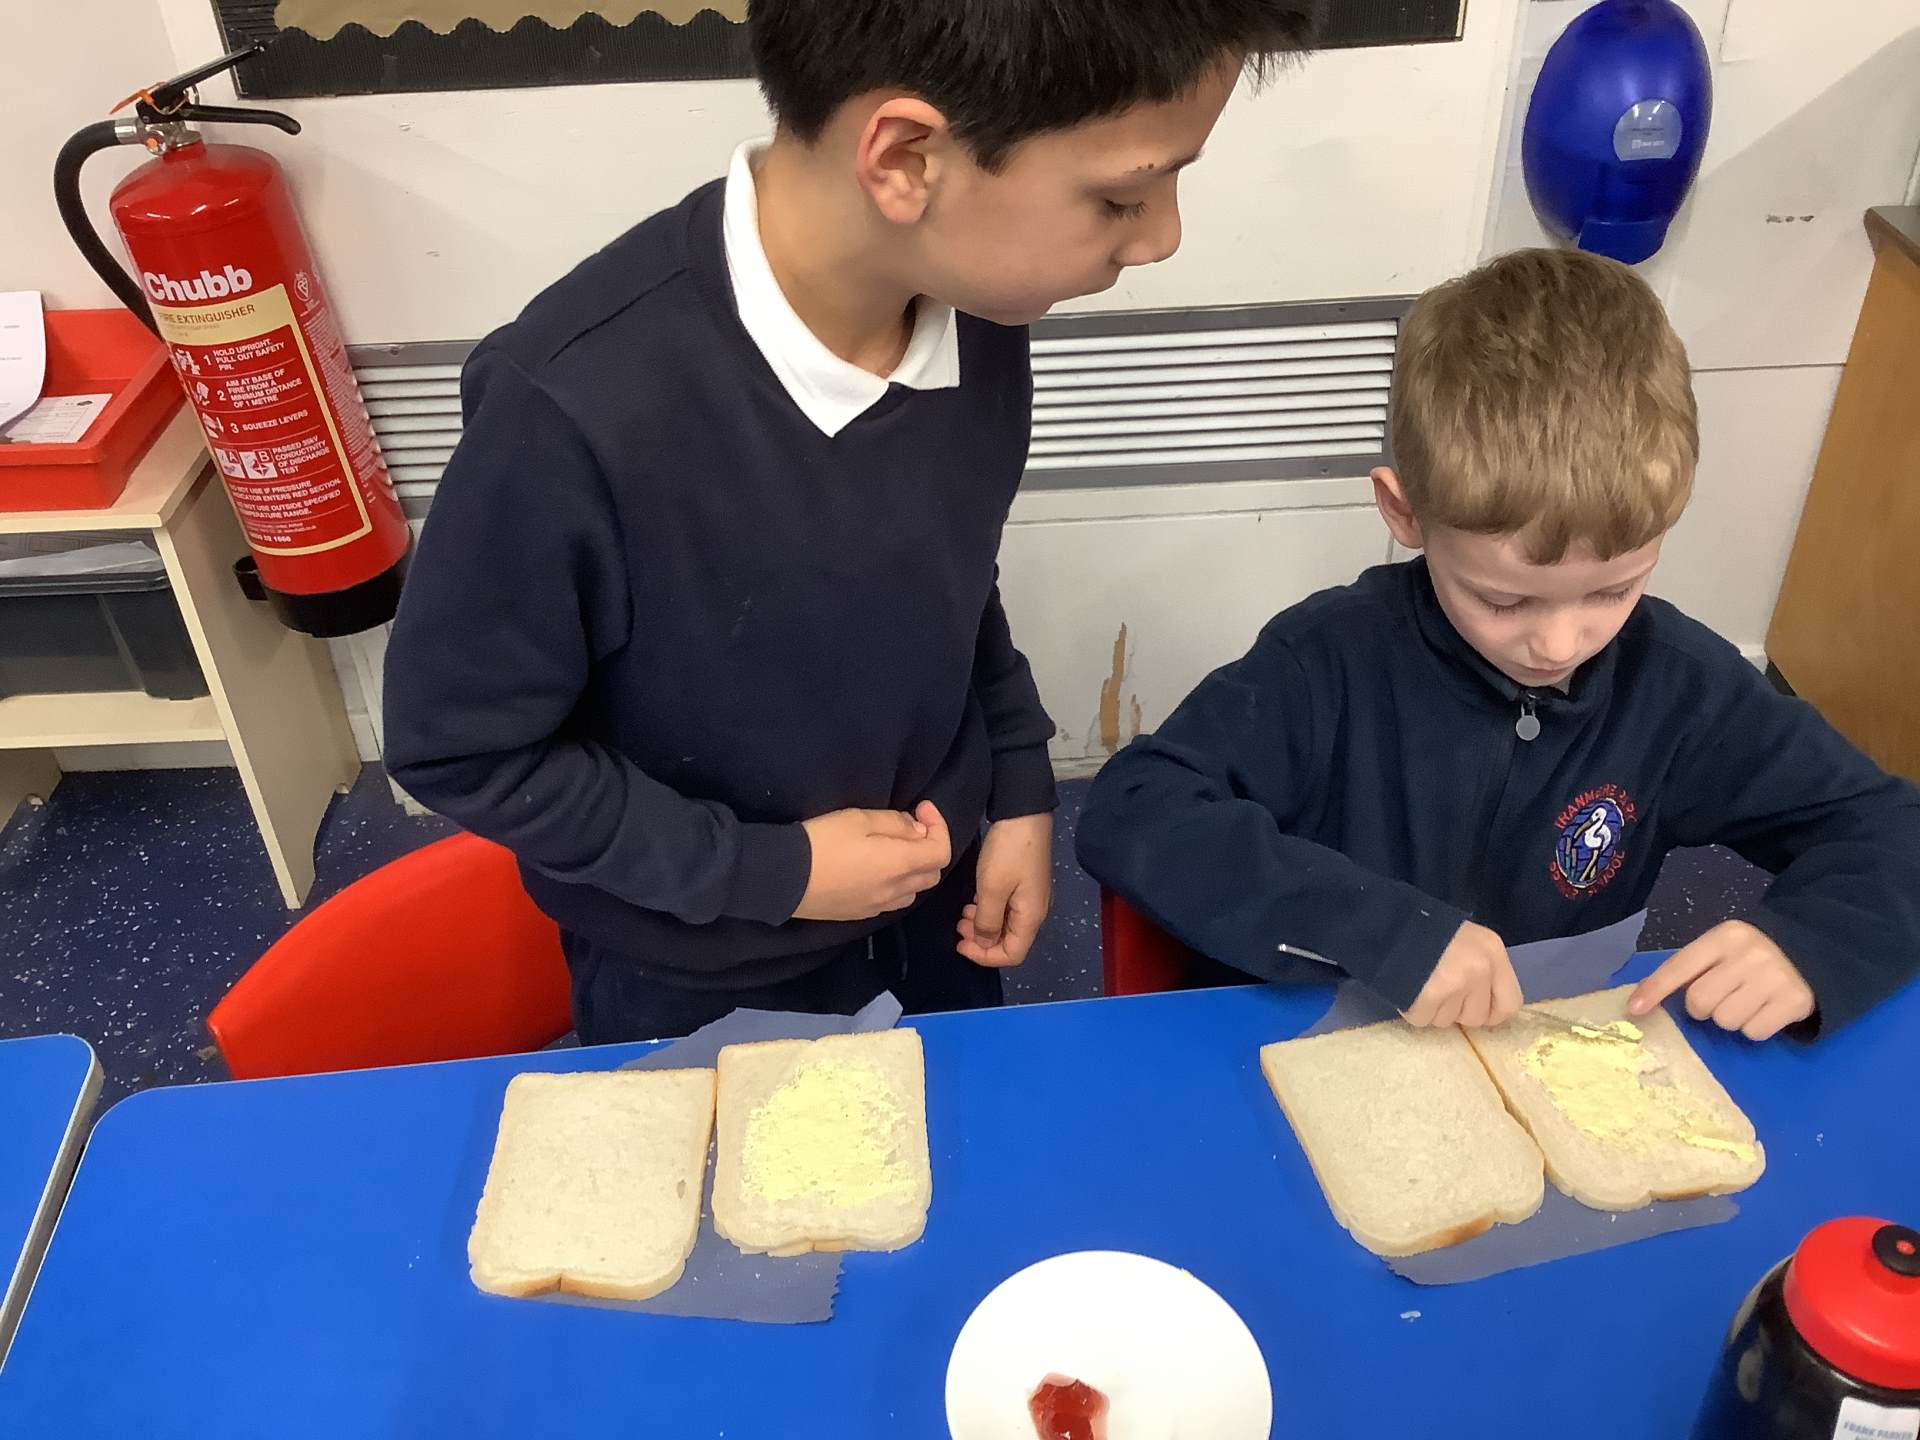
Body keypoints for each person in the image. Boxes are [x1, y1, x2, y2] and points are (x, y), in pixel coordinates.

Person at [383, 0, 1318, 1043]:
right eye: (1120, 197)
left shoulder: (970, 305)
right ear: (907, 159)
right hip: (703, 963)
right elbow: (463, 752)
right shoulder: (569, 410)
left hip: (931, 901)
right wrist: (772, 871)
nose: (1162, 238)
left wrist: (1016, 785)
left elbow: (949, 573)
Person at [1077, 247, 1920, 1041]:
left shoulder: (1683, 689)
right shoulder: (1327, 661)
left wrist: (1812, 942)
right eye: (1503, 598)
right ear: (1405, 512)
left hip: (1549, 1058)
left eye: (1613, 590)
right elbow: (1136, 807)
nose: (1558, 644)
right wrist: (1379, 928)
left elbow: (1891, 828)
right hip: (1321, 1041)